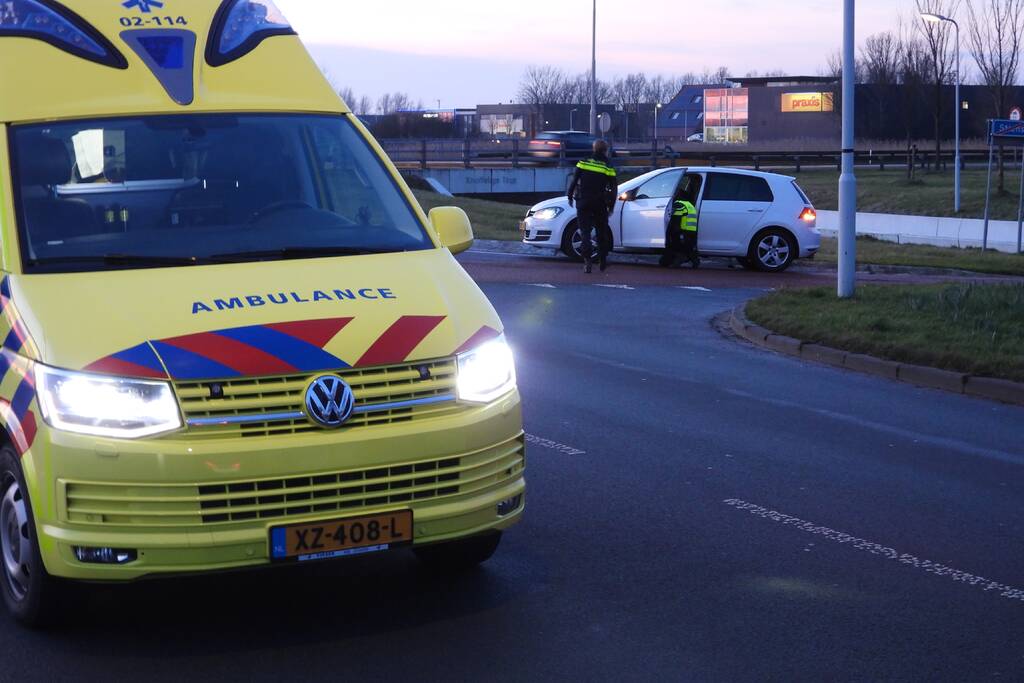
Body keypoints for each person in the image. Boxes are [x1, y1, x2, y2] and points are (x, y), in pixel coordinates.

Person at [567, 140, 617, 274]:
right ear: (605, 150)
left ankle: (587, 261)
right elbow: (613, 187)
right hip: (600, 203)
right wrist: (611, 205)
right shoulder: (608, 165)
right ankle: (602, 260)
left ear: (594, 148)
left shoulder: (584, 161)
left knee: (585, 232)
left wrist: (569, 196)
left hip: (583, 201)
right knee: (601, 232)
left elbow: (574, 179)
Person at [666, 191, 700, 269]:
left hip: (684, 230)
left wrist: (673, 231)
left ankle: (678, 261)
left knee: (678, 246)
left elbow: (677, 219)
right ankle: (695, 261)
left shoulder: (679, 204)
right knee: (688, 247)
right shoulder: (689, 205)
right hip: (692, 230)